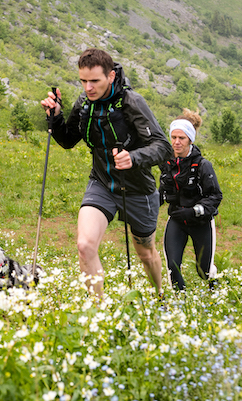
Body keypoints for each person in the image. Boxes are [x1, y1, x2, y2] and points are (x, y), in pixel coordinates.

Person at [40, 48, 172, 298]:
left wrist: (133, 157)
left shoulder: (132, 102)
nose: (88, 87)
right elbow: (68, 140)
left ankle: (159, 294)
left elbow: (163, 147)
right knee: (84, 245)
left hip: (138, 189)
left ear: (111, 76)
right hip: (101, 183)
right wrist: (55, 118)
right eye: (83, 81)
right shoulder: (84, 103)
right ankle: (98, 315)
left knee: (145, 253)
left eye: (94, 81)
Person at [159, 108, 223, 291]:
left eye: (182, 138)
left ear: (190, 140)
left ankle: (215, 287)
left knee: (203, 271)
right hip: (177, 220)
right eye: (173, 137)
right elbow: (163, 191)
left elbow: (215, 196)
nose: (176, 142)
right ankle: (181, 302)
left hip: (201, 222)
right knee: (172, 265)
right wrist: (145, 207)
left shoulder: (203, 165)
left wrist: (194, 210)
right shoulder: (167, 164)